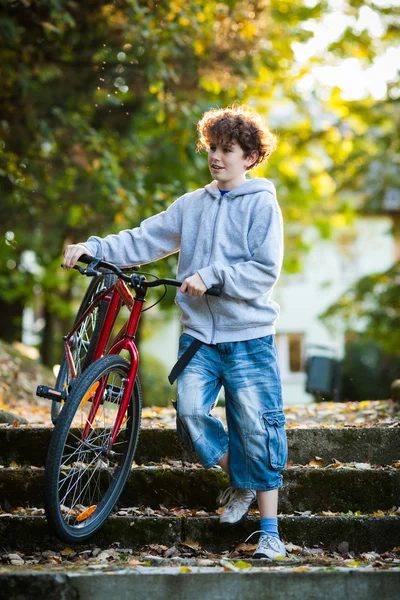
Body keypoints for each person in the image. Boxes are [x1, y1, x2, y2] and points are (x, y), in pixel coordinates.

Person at [62, 104, 288, 560]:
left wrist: (214, 275)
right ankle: (239, 479)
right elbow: (145, 239)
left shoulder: (262, 203)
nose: (217, 157)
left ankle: (270, 533)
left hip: (249, 336)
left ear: (250, 156)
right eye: (212, 148)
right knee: (188, 413)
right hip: (199, 337)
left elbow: (265, 271)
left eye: (228, 150)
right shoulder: (192, 204)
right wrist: (94, 247)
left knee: (258, 429)